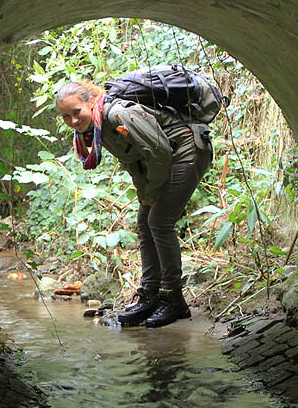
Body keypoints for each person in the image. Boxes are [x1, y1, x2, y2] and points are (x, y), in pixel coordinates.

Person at [55, 79, 213, 328]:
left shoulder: (119, 115)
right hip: (166, 157)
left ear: (92, 101)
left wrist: (150, 192)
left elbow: (159, 153)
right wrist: (144, 192)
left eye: (77, 112)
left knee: (159, 222)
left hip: (187, 150)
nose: (73, 121)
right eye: (66, 117)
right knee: (144, 222)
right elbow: (135, 161)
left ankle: (174, 299)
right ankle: (150, 294)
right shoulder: (99, 125)